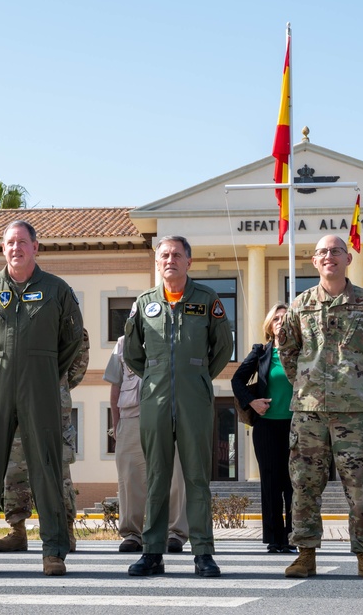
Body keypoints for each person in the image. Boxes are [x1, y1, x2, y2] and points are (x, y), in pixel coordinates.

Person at [0, 219, 84, 577]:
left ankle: (53, 552)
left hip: (40, 386)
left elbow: (72, 339)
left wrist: (41, 366)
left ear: (36, 247)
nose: (16, 248)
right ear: (3, 249)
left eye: (22, 242)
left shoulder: (57, 290)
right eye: (9, 243)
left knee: (47, 466)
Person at [276, 235, 363, 580]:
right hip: (309, 411)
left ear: (348, 259)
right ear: (314, 261)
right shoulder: (300, 305)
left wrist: (362, 387)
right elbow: (288, 352)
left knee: (361, 487)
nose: (329, 256)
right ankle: (305, 554)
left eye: (336, 251)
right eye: (323, 252)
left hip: (354, 412)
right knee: (304, 485)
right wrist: (305, 383)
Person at [123, 235, 233, 578]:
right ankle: (152, 553)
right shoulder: (144, 303)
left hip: (194, 399)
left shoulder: (207, 299)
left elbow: (223, 346)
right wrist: (157, 373)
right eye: (164, 255)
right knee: (156, 477)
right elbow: (132, 352)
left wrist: (196, 375)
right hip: (154, 398)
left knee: (197, 479)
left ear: (189, 261)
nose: (169, 259)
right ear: (158, 262)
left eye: (176, 254)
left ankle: (203, 553)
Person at [0, 329, 90, 553]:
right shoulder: (12, 315)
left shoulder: (61, 315)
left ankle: (65, 530)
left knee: (58, 471)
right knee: (15, 469)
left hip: (52, 403)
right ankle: (18, 532)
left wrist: (58, 383)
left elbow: (79, 358)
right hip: (15, 399)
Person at [104, 334, 189, 554]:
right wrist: (117, 424)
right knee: (130, 476)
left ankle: (175, 534)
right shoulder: (124, 342)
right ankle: (132, 534)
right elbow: (116, 385)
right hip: (132, 417)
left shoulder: (177, 335)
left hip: (171, 416)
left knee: (175, 476)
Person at [231, 302, 295, 554]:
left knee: (294, 483)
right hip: (267, 427)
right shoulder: (261, 352)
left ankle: (292, 536)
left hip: (297, 426)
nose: (280, 322)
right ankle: (273, 538)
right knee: (270, 482)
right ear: (269, 325)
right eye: (276, 318)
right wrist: (251, 402)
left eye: (285, 318)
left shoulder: (302, 352)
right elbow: (237, 380)